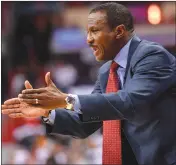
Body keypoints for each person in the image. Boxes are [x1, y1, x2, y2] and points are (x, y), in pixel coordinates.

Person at [2, 2, 176, 165]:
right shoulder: (107, 71)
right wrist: (47, 111)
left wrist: (66, 100)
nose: (88, 40)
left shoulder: (152, 56)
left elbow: (130, 102)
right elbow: (86, 123)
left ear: (119, 31)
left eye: (94, 31)